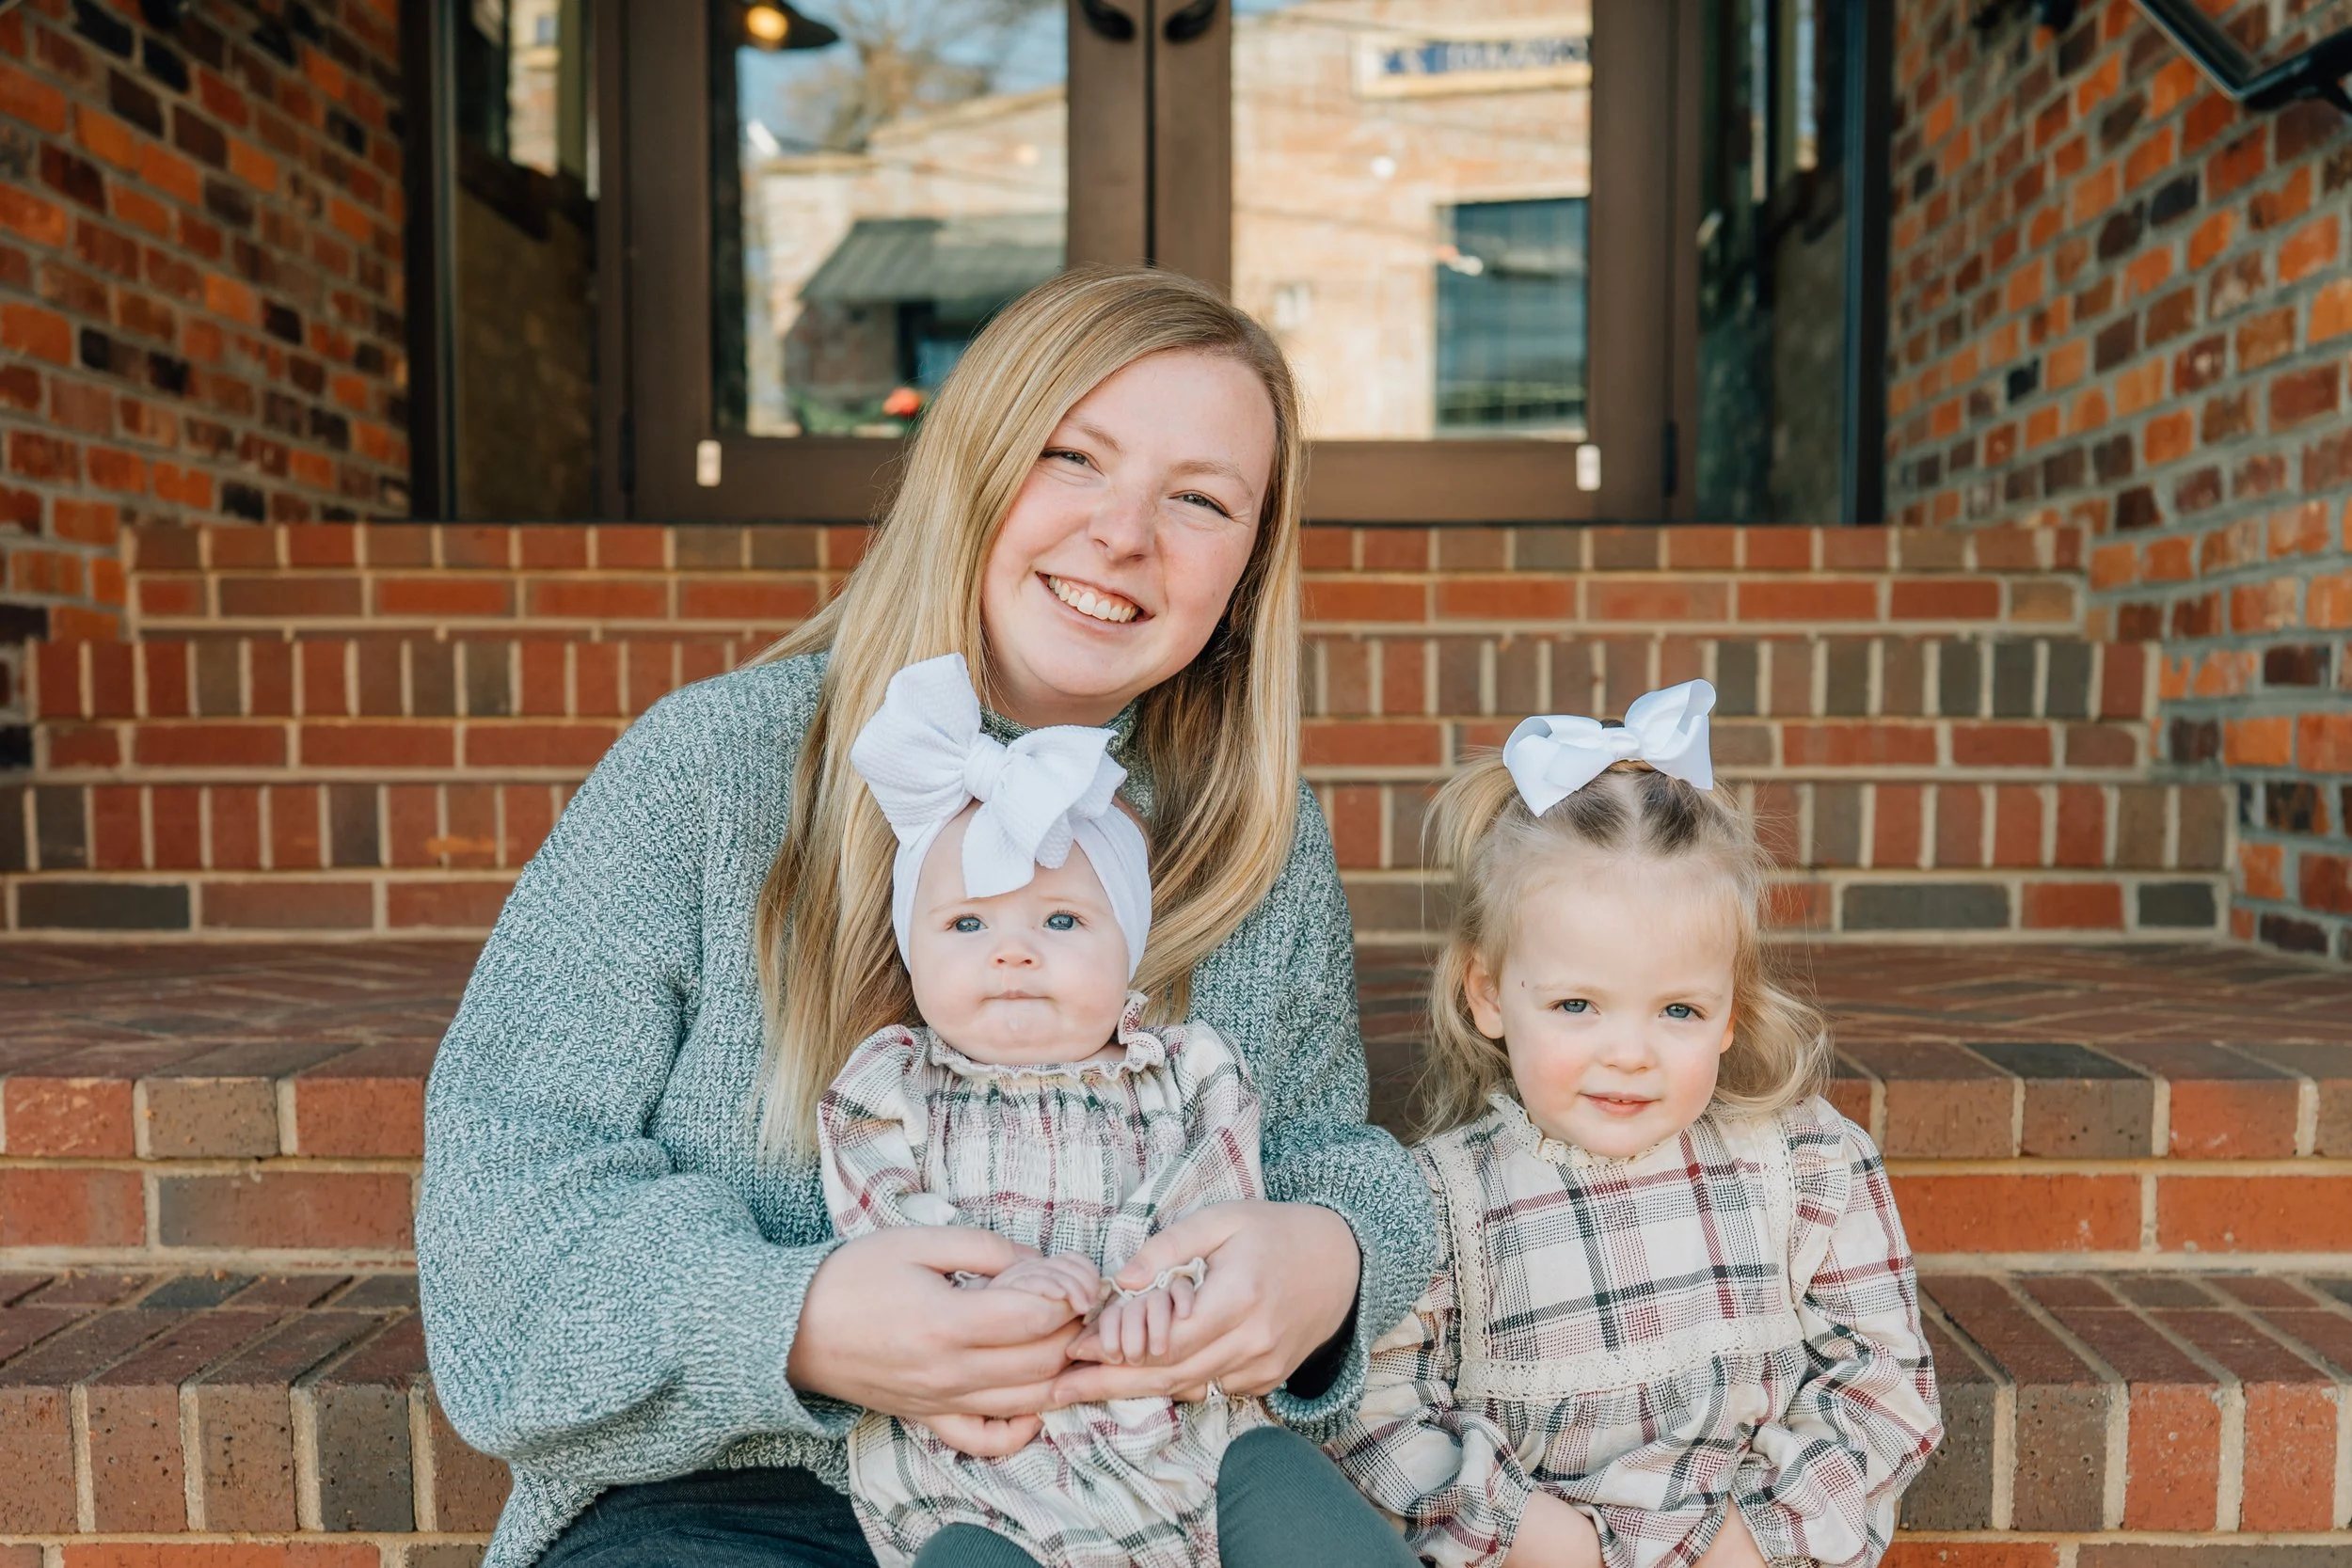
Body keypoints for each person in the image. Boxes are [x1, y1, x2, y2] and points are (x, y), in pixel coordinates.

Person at [416, 266, 1433, 1568]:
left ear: (1244, 572)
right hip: (747, 1495)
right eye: (1074, 457)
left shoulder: (1252, 837)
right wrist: (794, 1314)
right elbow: (503, 1213)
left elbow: (1323, 1149)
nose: (1126, 532)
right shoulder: (711, 769)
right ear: (969, 465)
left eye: (1199, 498)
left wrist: (1331, 1254)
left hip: (1142, 1492)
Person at [1326, 682, 1943, 1568]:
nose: (1630, 1052)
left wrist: (1754, 1539)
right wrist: (1535, 1535)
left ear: (1731, 1011)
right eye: (1579, 1003)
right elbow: (1375, 1406)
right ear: (1490, 992)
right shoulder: (1438, 1204)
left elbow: (1884, 1386)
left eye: (1679, 1011)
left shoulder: (1806, 1164)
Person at [822, 651, 1276, 1566]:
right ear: (914, 952)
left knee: (1268, 1481)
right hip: (981, 1433)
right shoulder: (888, 1087)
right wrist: (986, 1287)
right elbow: (881, 1217)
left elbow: (1215, 1194)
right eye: (967, 924)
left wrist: (1155, 1285)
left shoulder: (1186, 1069)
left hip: (1163, 1416)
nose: (1014, 951)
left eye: (1061, 921)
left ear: (1130, 947)